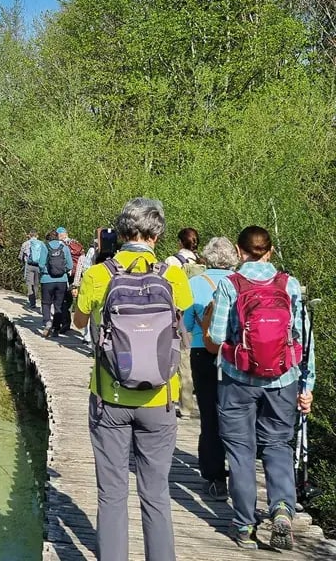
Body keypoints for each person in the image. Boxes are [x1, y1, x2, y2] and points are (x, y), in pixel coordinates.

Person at [73, 198, 192, 561]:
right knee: (156, 494)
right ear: (157, 234)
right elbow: (182, 323)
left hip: (109, 397)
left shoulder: (98, 274)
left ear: (121, 232)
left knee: (112, 494)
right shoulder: (173, 275)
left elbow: (78, 322)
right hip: (160, 398)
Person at [209, 226, 315, 550]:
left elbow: (216, 337)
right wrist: (307, 384)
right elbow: (304, 338)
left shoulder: (230, 284)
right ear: (270, 252)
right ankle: (281, 508)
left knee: (240, 450)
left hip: (238, 380)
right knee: (278, 444)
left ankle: (244, 525)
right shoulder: (289, 284)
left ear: (239, 251)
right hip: (283, 380)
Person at [182, 236, 239, 501]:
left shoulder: (195, 283)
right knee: (236, 414)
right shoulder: (240, 283)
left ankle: (215, 478)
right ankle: (240, 474)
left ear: (206, 257)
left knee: (209, 414)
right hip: (236, 354)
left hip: (202, 351)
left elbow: (185, 323)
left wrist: (200, 331)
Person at [167, 227, 201, 419]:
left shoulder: (172, 262)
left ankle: (185, 407)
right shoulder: (203, 262)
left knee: (183, 362)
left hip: (180, 316)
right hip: (201, 316)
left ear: (180, 242)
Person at [36, 230, 72, 338]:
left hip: (47, 280)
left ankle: (48, 323)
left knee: (46, 303)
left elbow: (41, 264)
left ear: (48, 238)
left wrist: (46, 271)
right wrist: (62, 271)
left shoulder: (45, 247)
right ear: (57, 237)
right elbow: (70, 265)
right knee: (59, 305)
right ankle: (56, 328)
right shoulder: (64, 247)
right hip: (61, 281)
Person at [18, 230, 41, 309]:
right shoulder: (41, 243)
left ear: (29, 235)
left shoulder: (25, 243)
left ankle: (32, 302)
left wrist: (22, 262)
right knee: (36, 284)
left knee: (29, 283)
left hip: (29, 265)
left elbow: (20, 256)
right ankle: (35, 298)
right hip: (38, 265)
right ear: (37, 235)